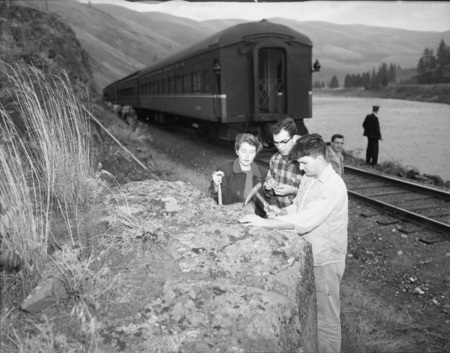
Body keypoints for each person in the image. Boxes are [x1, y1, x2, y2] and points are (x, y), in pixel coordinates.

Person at [240, 133, 348, 353]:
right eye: (298, 163)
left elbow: (306, 221)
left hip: (326, 260)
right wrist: (280, 212)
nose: (300, 168)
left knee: (327, 319)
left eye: (304, 162)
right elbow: (299, 207)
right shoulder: (310, 176)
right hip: (312, 254)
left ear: (319, 158)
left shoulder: (332, 186)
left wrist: (265, 223)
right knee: (312, 313)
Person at [210, 133, 267, 216]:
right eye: (243, 151)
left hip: (254, 221)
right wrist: (215, 185)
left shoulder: (263, 173)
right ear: (237, 151)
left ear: (255, 153)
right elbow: (218, 198)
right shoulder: (225, 170)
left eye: (251, 152)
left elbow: (267, 200)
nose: (247, 156)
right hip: (230, 217)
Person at [263, 117, 303, 208]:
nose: (280, 147)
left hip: (301, 216)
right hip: (281, 214)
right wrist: (268, 187)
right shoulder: (275, 159)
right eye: (276, 143)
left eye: (284, 142)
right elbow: (268, 194)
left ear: (294, 138)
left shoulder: (305, 160)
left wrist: (294, 191)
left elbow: (317, 196)